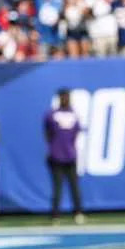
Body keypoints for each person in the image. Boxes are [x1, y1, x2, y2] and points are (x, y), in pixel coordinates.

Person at [44, 88, 85, 225]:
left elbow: (76, 133)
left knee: (74, 186)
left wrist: (69, 148)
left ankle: (78, 212)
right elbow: (48, 133)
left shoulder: (74, 114)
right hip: (56, 156)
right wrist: (54, 148)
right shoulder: (52, 115)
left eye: (67, 97)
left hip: (70, 156)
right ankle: (55, 214)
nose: (65, 99)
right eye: (63, 97)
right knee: (57, 187)